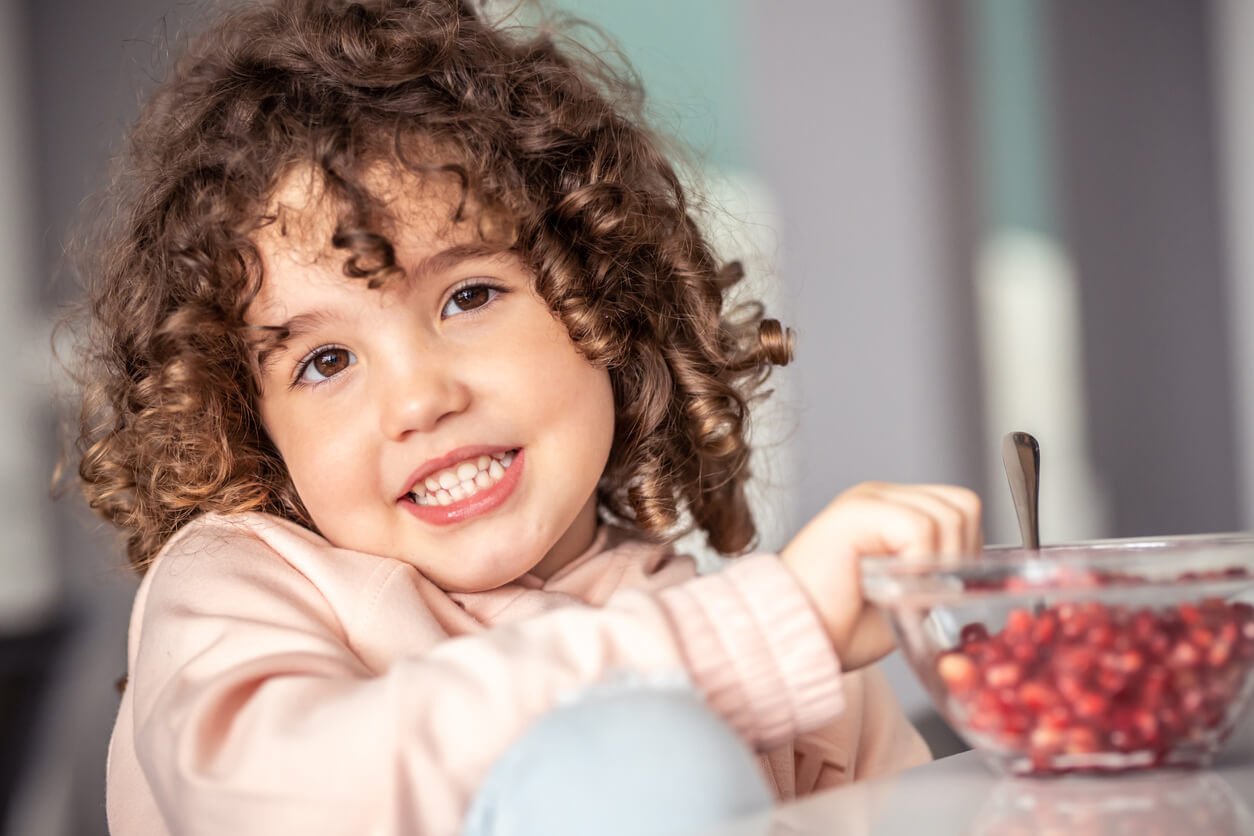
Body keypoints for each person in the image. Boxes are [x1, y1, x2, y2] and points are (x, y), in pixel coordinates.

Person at [68, 1, 983, 833]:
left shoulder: (778, 652)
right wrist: (757, 638)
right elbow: (272, 793)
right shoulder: (245, 587)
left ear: (604, 299)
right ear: (248, 423)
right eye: (326, 361)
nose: (421, 399)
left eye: (468, 296)